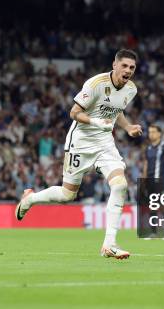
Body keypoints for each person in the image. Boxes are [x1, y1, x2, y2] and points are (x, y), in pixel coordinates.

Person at [15, 49, 142, 259]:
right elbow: (73, 112)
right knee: (67, 195)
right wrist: (94, 121)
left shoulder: (131, 89)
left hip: (104, 144)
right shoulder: (95, 84)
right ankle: (30, 200)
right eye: (124, 66)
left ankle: (109, 245)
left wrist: (127, 127)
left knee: (120, 185)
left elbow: (116, 109)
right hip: (80, 143)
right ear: (114, 65)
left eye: (132, 67)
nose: (128, 70)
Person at [143, 124, 164, 240]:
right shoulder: (148, 148)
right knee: (152, 206)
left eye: (153, 132)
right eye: (149, 132)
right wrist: (144, 180)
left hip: (162, 180)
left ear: (159, 134)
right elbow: (146, 165)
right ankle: (154, 233)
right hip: (150, 182)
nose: (150, 134)